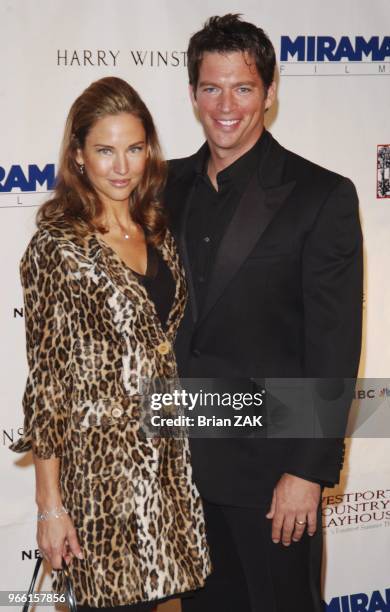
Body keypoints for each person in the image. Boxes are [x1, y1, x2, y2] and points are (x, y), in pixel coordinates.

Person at [165, 14, 363, 612]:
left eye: (244, 87)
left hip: (273, 478)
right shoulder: (161, 188)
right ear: (194, 92)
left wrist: (306, 471)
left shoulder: (319, 194)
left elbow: (332, 345)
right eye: (211, 87)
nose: (226, 105)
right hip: (181, 473)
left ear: (270, 93)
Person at [10, 76, 210, 611]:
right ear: (78, 156)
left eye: (134, 149)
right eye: (105, 150)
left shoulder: (157, 229)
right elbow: (49, 384)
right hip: (101, 484)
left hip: (168, 471)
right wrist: (50, 506)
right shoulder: (57, 247)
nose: (122, 166)